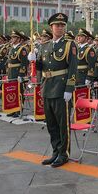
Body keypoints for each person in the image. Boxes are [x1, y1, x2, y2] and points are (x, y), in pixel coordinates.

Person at [29, 12, 78, 168]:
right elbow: (42, 67)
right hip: (47, 87)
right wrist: (33, 61)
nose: (60, 28)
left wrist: (69, 88)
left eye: (62, 25)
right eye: (57, 25)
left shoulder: (69, 45)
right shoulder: (45, 46)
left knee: (63, 124)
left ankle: (64, 154)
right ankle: (56, 151)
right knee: (51, 124)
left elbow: (73, 68)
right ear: (51, 27)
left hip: (61, 88)